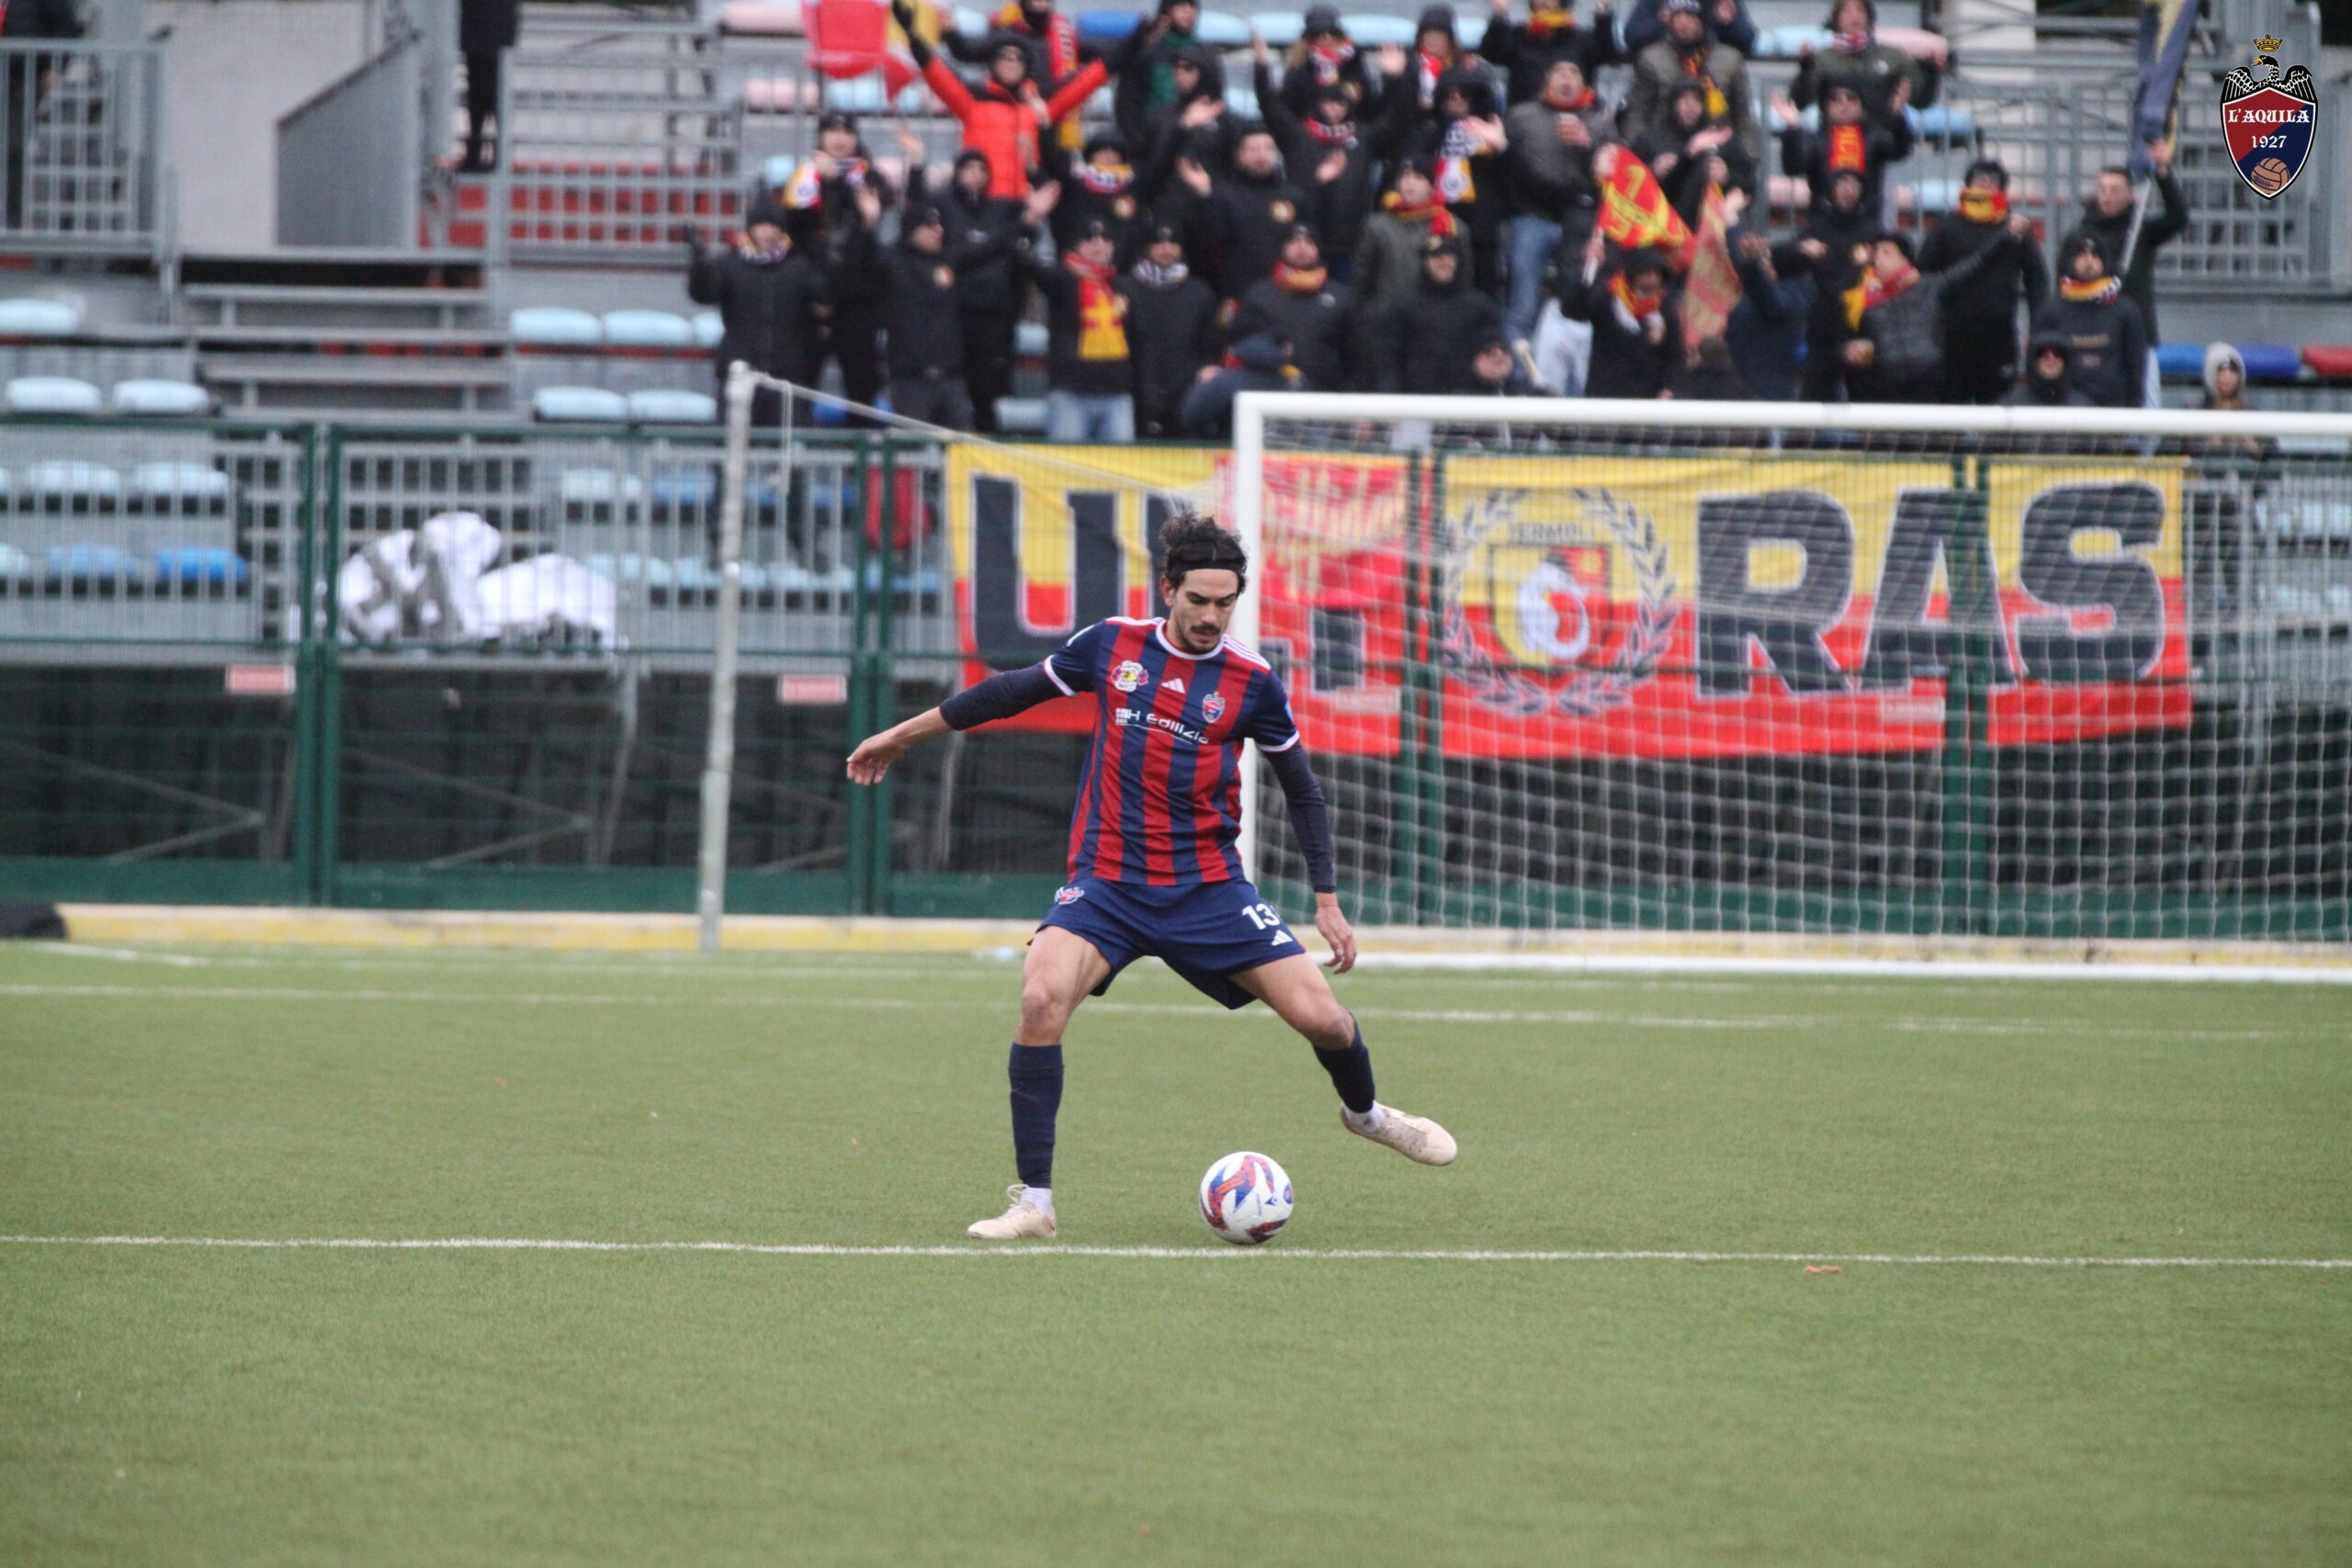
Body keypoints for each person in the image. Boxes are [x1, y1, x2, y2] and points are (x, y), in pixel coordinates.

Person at [844, 513, 1458, 1242]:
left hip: (1209, 888)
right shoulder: (1112, 645)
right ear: (1168, 589)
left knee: (1324, 1019)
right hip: (1107, 884)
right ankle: (1035, 1203)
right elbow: (1007, 691)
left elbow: (1302, 789)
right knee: (1040, 997)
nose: (1211, 616)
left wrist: (1326, 897)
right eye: (1198, 599)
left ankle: (1367, 1113)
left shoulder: (1252, 682)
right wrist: (901, 735)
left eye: (1225, 602)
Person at [896, 0, 1121, 199]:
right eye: (1004, 57)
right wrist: (913, 34)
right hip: (984, 203)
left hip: (1028, 193)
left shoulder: (1042, 106)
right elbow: (939, 72)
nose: (1011, 62)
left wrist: (1135, 41)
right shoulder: (974, 101)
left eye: (1018, 58)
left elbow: (1089, 79)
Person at [1253, 31, 1408, 275]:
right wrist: (1261, 67)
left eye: (1340, 104)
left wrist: (1397, 78)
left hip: (1350, 248)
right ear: (1319, 104)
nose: (1334, 109)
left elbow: (1398, 117)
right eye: (1328, 103)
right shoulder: (1299, 136)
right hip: (1303, 245)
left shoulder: (1363, 138)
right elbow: (1270, 106)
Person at [2062, 143, 2187, 407]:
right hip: (2092, 335)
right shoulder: (2081, 235)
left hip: (2138, 334)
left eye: (2115, 190)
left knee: (2146, 406)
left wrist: (2163, 174)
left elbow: (2178, 218)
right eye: (2102, 189)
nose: (2107, 196)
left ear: (2130, 195)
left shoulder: (2141, 231)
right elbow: (2064, 285)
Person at [1842, 224, 2024, 403]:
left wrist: (2006, 235)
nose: (1878, 260)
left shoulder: (1929, 287)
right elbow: (1843, 345)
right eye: (1876, 255)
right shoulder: (1863, 301)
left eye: (1886, 253)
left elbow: (1974, 264)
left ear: (1905, 259)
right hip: (1883, 394)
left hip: (1928, 389)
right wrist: (1848, 353)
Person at [1918, 158, 2048, 405]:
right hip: (1952, 336)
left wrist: (2036, 329)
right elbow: (1924, 276)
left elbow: (2037, 281)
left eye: (1993, 180)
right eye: (1979, 178)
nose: (1986, 184)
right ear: (1967, 184)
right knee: (1950, 407)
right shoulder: (1947, 227)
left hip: (1998, 336)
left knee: (1998, 407)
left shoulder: (2015, 228)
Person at [684, 199, 826, 425]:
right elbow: (703, 294)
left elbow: (824, 295)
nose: (766, 232)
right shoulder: (730, 264)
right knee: (733, 439)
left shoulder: (799, 267)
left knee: (789, 440)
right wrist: (699, 264)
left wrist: (820, 253)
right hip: (740, 374)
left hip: (787, 376)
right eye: (761, 225)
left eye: (772, 226)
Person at [1503, 58, 1611, 348]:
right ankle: (1520, 371)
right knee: (1523, 305)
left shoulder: (1599, 122)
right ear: (1547, 79)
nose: (1566, 78)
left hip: (1582, 223)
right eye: (1559, 72)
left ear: (1583, 83)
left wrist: (1589, 147)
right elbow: (1505, 167)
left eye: (1573, 72)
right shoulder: (1521, 116)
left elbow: (1615, 174)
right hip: (1532, 218)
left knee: (1577, 302)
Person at [1024, 215, 1139, 442]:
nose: (1099, 244)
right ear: (1077, 246)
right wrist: (1029, 223)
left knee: (1121, 464)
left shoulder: (1124, 287)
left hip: (1116, 395)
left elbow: (1138, 341)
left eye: (1105, 239)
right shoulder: (1062, 280)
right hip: (1071, 394)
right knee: (1064, 464)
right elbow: (1028, 264)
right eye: (1090, 239)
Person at [1176, 122, 1310, 306]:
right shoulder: (1223, 195)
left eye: (1268, 148)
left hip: (1286, 293)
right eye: (1253, 149)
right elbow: (1210, 241)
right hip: (1238, 294)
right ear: (1239, 155)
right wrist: (1205, 195)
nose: (1261, 155)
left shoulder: (1294, 197)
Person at [941, 149, 1027, 432]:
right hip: (954, 312)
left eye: (982, 169)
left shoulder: (1001, 210)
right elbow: (953, 256)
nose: (976, 175)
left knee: (987, 391)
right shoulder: (944, 207)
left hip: (993, 312)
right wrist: (995, 244)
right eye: (969, 168)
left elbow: (1026, 233)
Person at [1625, 0, 1760, 175]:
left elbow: (1742, 117)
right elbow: (1638, 115)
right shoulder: (1651, 59)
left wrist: (1745, 164)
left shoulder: (1730, 60)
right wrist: (1642, 162)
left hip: (1716, 151)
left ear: (1703, 19)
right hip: (1663, 154)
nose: (1683, 22)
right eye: (1677, 15)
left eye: (1689, 15)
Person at [874, 197, 976, 429]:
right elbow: (863, 259)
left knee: (963, 444)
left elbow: (987, 250)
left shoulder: (949, 260)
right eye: (930, 225)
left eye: (939, 224)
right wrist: (869, 224)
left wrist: (1026, 223)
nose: (938, 231)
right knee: (911, 445)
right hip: (910, 379)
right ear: (913, 230)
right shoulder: (893, 263)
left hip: (951, 376)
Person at [1232, 225, 1358, 394]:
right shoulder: (1258, 294)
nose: (1301, 247)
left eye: (1309, 242)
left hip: (1326, 396)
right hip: (1269, 394)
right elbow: (1239, 345)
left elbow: (1356, 354)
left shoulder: (1341, 296)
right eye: (1294, 241)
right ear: (1283, 247)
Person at [1125, 224, 1222, 437]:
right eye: (1159, 243)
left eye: (1172, 243)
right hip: (1137, 392)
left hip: (1185, 393)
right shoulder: (1126, 289)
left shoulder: (1199, 291)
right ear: (1147, 248)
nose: (1166, 249)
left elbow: (1210, 343)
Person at [2030, 231, 2146, 410]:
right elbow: (2037, 364)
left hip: (2113, 409)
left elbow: (2136, 366)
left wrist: (2133, 409)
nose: (2089, 261)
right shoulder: (2050, 311)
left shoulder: (2126, 310)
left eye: (2095, 256)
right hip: (2065, 411)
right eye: (2082, 255)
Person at [1379, 232, 1503, 393]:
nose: (1445, 261)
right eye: (1437, 256)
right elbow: (1389, 361)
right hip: (1416, 400)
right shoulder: (1403, 307)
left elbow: (1494, 353)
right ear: (1425, 261)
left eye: (1450, 255)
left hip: (1468, 400)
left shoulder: (1481, 307)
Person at [1771, 80, 1909, 222]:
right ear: (1826, 106)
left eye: (1851, 98)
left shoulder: (1874, 136)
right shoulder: (1816, 139)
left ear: (1861, 104)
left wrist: (1897, 116)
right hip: (1823, 222)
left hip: (1866, 221)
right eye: (1835, 99)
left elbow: (1900, 150)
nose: (1844, 104)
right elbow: (1792, 168)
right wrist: (1793, 129)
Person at [1353, 155, 1467, 315]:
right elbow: (1361, 281)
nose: (1409, 182)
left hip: (1433, 318)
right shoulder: (1377, 226)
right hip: (1386, 317)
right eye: (1404, 176)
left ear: (1432, 186)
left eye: (1418, 177)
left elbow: (1463, 281)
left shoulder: (1453, 227)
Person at [1788, 0, 1934, 125]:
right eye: (1846, 12)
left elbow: (1921, 101)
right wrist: (1805, 69)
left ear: (1869, 17)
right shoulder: (1823, 60)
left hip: (1883, 138)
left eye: (1860, 10)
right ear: (1836, 18)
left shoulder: (1892, 57)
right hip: (1835, 140)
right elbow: (1800, 102)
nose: (1854, 16)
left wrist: (1931, 72)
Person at [1561, 243, 1678, 400]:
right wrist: (1588, 270)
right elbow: (1573, 311)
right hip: (1606, 398)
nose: (1654, 280)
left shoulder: (1664, 309)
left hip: (1648, 402)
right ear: (1634, 274)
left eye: (1658, 274)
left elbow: (1675, 356)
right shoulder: (1608, 299)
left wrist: (1669, 388)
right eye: (1648, 274)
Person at [1481, 0, 1618, 106]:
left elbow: (1606, 54)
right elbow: (1493, 54)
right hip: (1527, 118)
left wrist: (1603, 12)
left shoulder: (1581, 39)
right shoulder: (1519, 36)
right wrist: (1500, 14)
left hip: (1575, 116)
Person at [1182, 332, 1305, 434]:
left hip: (1234, 449)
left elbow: (1192, 417)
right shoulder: (1296, 381)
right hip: (1290, 452)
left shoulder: (1225, 381)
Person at [1280, 5, 1371, 120]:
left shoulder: (1353, 63)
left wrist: (1358, 94)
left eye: (1333, 34)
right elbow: (1287, 109)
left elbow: (1371, 108)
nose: (1327, 39)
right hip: (1308, 128)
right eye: (1318, 35)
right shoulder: (1299, 69)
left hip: (1352, 128)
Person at [458, 0, 517, 174]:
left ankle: (477, 153)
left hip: (479, 26)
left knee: (482, 95)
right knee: (491, 95)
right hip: (492, 28)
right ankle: (492, 153)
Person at [2001, 329, 2088, 410]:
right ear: (2033, 361)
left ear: (2066, 362)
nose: (2051, 358)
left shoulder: (2083, 407)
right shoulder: (2010, 405)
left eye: (2058, 353)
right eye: (2042, 353)